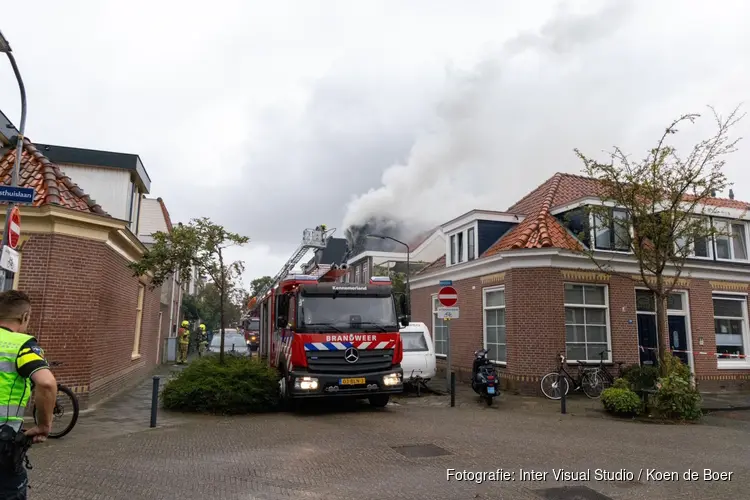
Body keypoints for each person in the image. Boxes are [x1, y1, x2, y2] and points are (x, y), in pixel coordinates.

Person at [0, 290, 57, 499]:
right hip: (3, 444)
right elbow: (47, 383)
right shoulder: (22, 345)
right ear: (24, 317)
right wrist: (44, 425)